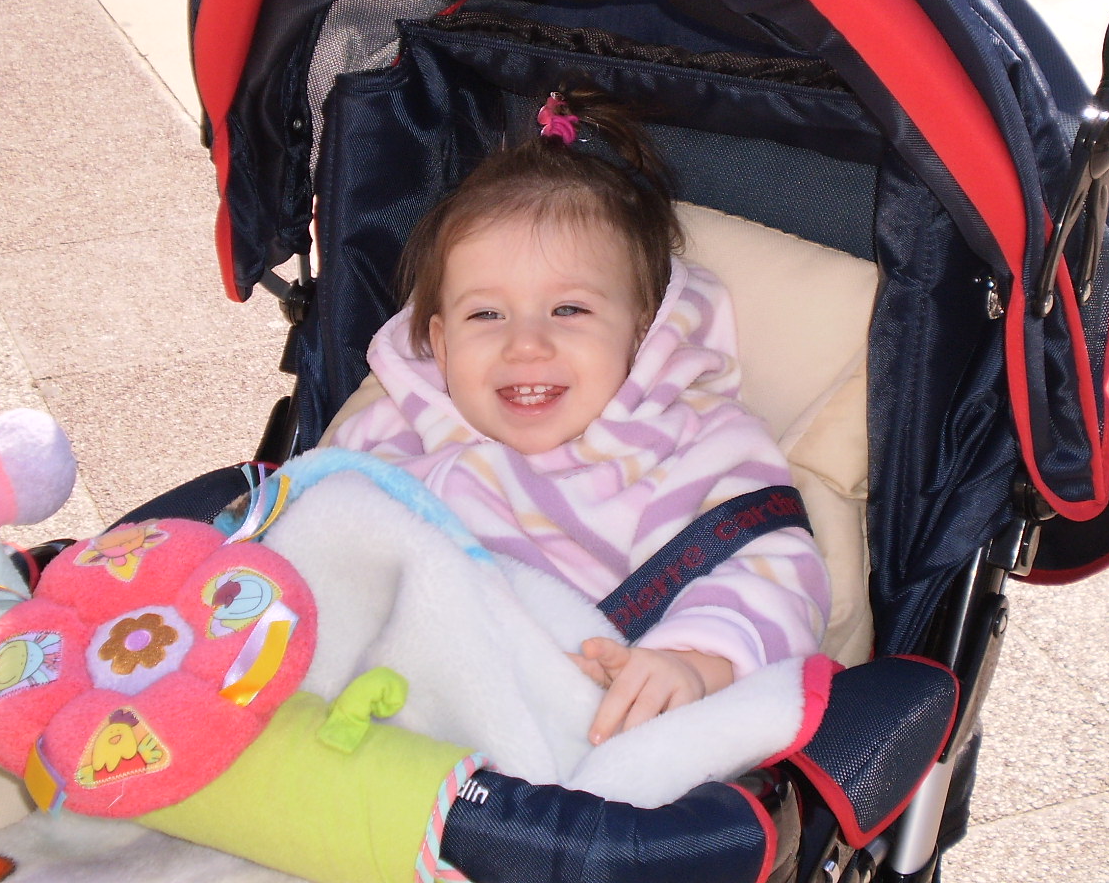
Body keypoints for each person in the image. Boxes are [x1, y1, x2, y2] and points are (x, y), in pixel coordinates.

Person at [330, 87, 829, 745]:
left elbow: (771, 568)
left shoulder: (694, 443)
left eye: (569, 310)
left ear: (643, 332)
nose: (525, 344)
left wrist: (694, 661)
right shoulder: (394, 433)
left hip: (592, 735)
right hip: (389, 719)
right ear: (442, 344)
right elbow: (317, 541)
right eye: (486, 314)